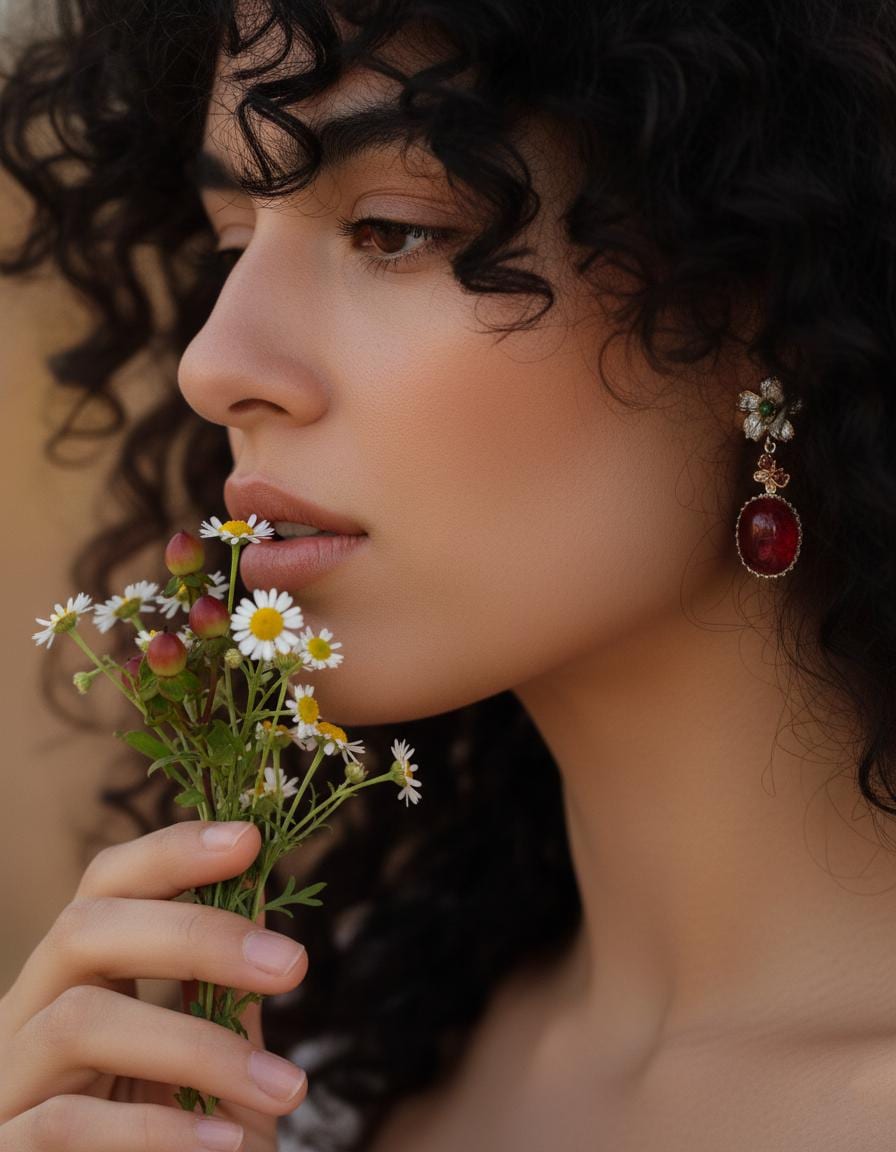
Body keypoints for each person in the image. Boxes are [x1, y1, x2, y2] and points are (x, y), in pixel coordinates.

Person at [1, 0, 895, 1149]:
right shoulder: (295, 1075)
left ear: (768, 300)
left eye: (391, 228)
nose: (214, 366)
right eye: (230, 244)